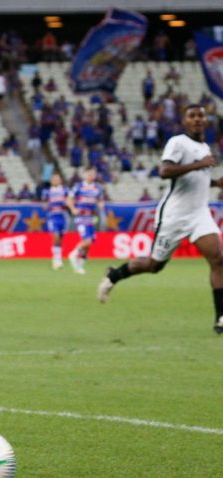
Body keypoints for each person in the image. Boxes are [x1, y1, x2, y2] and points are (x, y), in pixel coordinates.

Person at [98, 105, 223, 333]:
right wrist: (199, 164)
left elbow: (197, 178)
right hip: (174, 216)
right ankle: (114, 275)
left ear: (206, 120)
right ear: (185, 121)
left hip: (199, 214)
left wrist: (215, 183)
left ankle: (220, 318)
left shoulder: (204, 146)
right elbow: (165, 171)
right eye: (192, 116)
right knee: (154, 265)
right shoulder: (178, 142)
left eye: (201, 116)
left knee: (218, 259)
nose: (197, 119)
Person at [65, 166, 105, 275]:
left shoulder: (98, 187)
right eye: (90, 174)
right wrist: (73, 209)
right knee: (87, 240)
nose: (92, 176)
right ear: (85, 174)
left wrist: (101, 206)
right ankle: (73, 254)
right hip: (81, 218)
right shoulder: (78, 186)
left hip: (92, 218)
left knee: (89, 244)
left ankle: (80, 266)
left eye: (93, 174)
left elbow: (100, 200)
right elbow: (69, 199)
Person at [42, 172, 69, 270]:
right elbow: (44, 205)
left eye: (57, 179)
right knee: (56, 236)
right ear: (51, 181)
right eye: (54, 179)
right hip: (53, 217)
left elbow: (69, 201)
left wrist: (66, 204)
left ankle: (58, 258)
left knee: (60, 238)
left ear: (60, 180)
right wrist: (50, 205)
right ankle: (56, 259)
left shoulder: (65, 190)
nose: (56, 180)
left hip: (62, 216)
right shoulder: (47, 191)